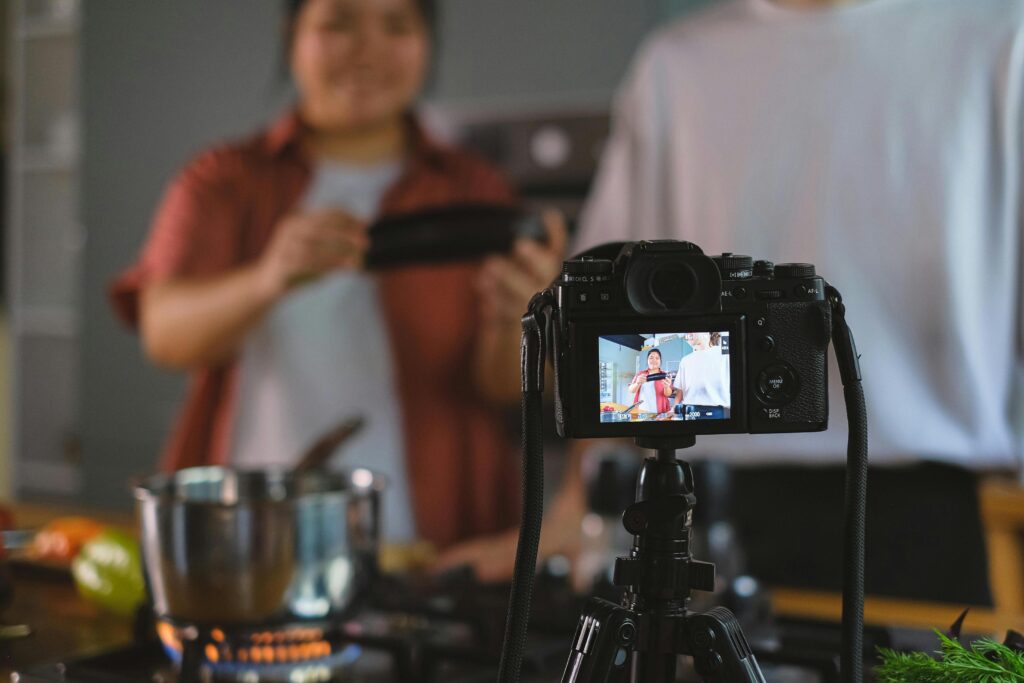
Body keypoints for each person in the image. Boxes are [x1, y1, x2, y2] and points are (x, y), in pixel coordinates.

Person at [110, 0, 583, 580]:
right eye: (339, 23)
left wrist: (517, 318)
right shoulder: (223, 179)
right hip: (254, 542)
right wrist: (267, 278)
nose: (368, 50)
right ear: (293, 36)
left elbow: (504, 385)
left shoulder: (476, 189)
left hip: (434, 548)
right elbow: (164, 335)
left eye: (397, 25)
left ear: (426, 42)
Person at [573, 0, 1022, 603]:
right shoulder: (676, 65)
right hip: (700, 501)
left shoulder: (1001, 36)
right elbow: (615, 307)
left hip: (941, 511)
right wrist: (578, 504)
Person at [673, 332, 730, 419]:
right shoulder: (685, 360)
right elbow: (680, 391)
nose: (687, 334)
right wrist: (674, 410)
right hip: (688, 413)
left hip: (716, 414)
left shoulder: (724, 354)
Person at [627, 348, 674, 414]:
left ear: (660, 361)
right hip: (641, 411)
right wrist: (637, 383)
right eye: (651, 357)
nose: (654, 360)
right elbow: (631, 390)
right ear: (647, 360)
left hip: (660, 412)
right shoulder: (640, 374)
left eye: (657, 358)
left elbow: (668, 394)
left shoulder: (665, 375)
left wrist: (666, 387)